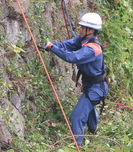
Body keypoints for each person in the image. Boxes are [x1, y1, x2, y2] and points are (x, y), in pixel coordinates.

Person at [41, 12, 108, 146]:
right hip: (90, 85)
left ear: (91, 30)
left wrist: (52, 48)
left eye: (83, 28)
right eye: (81, 27)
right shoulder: (82, 40)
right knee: (89, 105)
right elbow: (66, 46)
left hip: (97, 87)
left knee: (77, 116)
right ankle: (93, 132)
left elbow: (72, 57)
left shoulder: (92, 49)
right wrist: (51, 46)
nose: (80, 29)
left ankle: (78, 145)